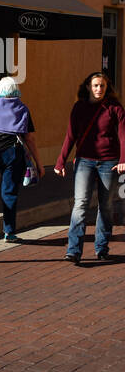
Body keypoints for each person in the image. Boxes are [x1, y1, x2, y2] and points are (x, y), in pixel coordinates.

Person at [54, 71, 125, 263]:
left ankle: (101, 247)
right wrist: (61, 161)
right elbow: (71, 135)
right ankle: (73, 250)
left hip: (109, 163)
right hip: (85, 160)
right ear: (88, 87)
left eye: (102, 86)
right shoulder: (79, 107)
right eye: (95, 85)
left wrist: (122, 160)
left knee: (106, 205)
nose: (99, 89)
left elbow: (122, 135)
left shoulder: (115, 108)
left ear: (106, 87)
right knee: (81, 204)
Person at [0, 76, 44, 245]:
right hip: (13, 151)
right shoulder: (22, 108)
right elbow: (29, 138)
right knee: (9, 192)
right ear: (16, 90)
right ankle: (9, 232)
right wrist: (38, 163)